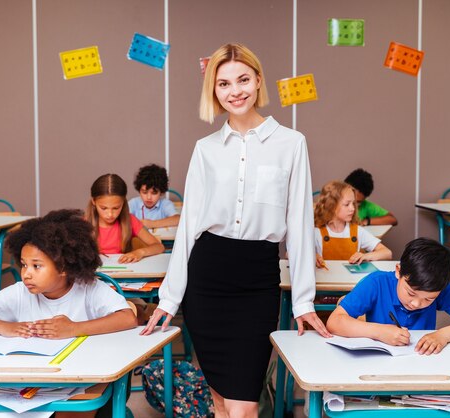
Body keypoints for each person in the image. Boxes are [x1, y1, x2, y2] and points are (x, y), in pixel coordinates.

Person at [141, 43, 330, 418]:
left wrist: (303, 300)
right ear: (214, 91)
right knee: (220, 403)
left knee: (244, 406)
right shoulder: (205, 149)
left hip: (257, 279)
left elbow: (298, 223)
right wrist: (170, 296)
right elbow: (190, 227)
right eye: (224, 84)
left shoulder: (291, 144)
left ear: (258, 81)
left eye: (243, 79)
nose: (235, 91)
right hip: (207, 278)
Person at [0, 209, 138, 418]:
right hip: (36, 383)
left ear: (63, 267)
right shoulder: (20, 292)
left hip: (86, 381)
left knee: (74, 410)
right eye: (24, 264)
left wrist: (74, 329)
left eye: (37, 266)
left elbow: (128, 317)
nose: (26, 273)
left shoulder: (89, 288)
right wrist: (5, 327)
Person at [327, 238, 450, 355]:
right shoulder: (376, 283)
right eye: (410, 293)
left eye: (428, 299)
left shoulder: (439, 287)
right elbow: (335, 322)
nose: (415, 303)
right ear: (398, 271)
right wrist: (379, 331)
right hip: (376, 364)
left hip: (418, 362)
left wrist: (442, 335)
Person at [86, 173, 164, 264]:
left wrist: (140, 252)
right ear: (94, 202)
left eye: (116, 208)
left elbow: (159, 246)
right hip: (93, 275)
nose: (110, 214)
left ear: (123, 203)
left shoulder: (130, 221)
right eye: (104, 208)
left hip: (122, 274)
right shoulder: (84, 224)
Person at [314, 180, 392, 269]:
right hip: (326, 280)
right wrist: (313, 257)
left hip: (351, 282)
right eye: (347, 204)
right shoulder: (316, 232)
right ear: (331, 206)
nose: (352, 208)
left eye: (353, 204)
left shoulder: (357, 231)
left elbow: (387, 253)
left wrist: (366, 256)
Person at [128, 164, 180, 228]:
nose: (149, 197)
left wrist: (152, 224)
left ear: (161, 192)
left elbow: (177, 219)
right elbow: (122, 220)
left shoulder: (165, 204)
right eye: (144, 192)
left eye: (154, 193)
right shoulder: (133, 203)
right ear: (139, 191)